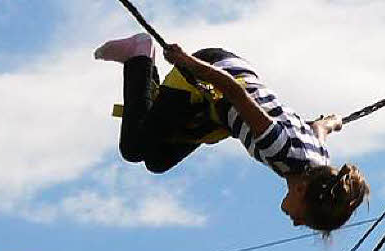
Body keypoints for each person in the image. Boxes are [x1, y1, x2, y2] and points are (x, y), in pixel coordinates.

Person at [94, 33, 369, 234]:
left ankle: (153, 97)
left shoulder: (319, 162)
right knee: (134, 147)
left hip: (215, 113)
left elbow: (317, 128)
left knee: (157, 161)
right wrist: (187, 62)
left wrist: (334, 121)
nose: (296, 222)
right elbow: (235, 92)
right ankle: (139, 55)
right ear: (302, 189)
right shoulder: (281, 151)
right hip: (208, 79)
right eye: (303, 219)